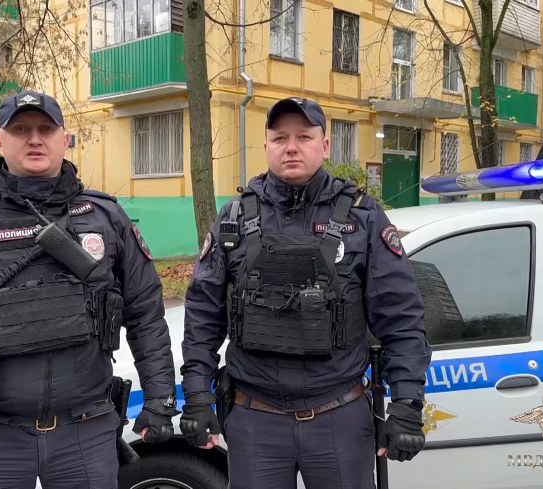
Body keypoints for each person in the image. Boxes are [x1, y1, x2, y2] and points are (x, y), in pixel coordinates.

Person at [0, 90, 178, 488]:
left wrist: (160, 399)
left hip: (86, 435)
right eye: (20, 129)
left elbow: (145, 314)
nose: (35, 139)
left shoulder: (104, 216)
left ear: (64, 139)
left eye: (46, 129)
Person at [178, 97, 432, 488]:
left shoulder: (363, 218)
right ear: (266, 146)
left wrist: (408, 403)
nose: (291, 147)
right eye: (280, 138)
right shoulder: (234, 217)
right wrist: (197, 396)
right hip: (256, 420)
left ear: (324, 145)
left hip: (339, 418)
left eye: (304, 137)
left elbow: (401, 317)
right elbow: (202, 316)